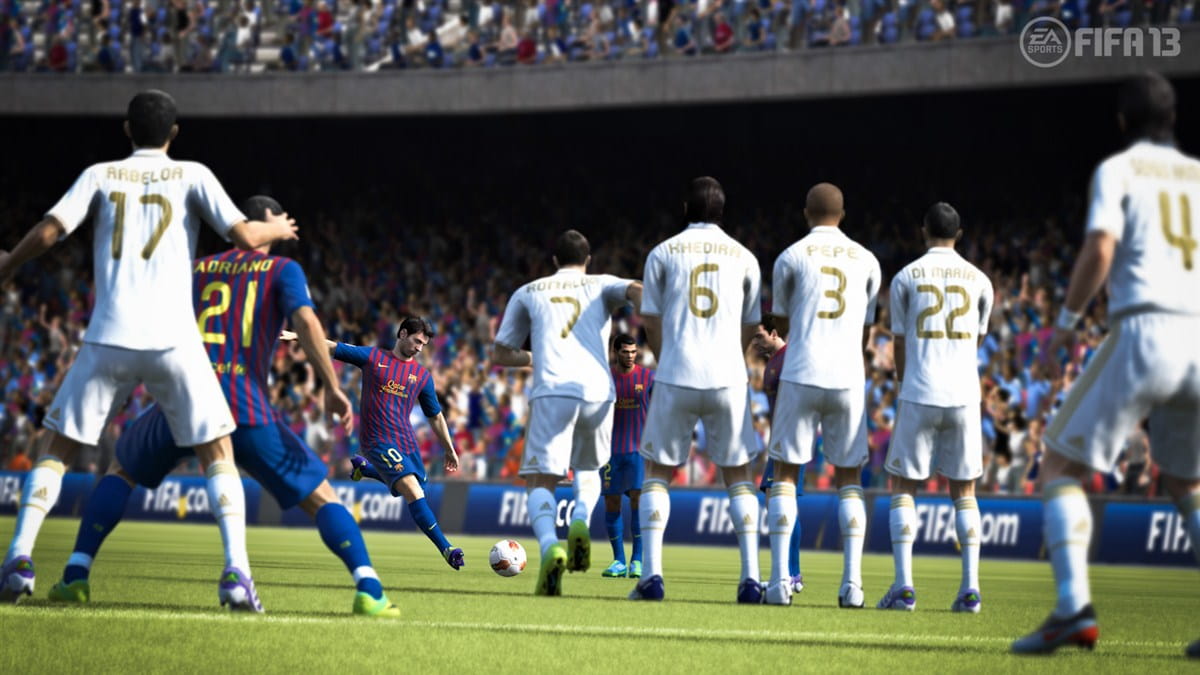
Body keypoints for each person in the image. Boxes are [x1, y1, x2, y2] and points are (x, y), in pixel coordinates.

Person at [0, 90, 297, 610]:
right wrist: (277, 227)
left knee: (58, 450)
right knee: (217, 453)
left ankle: (19, 559)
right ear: (174, 133)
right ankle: (236, 574)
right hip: (174, 340)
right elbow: (247, 238)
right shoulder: (193, 174)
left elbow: (50, 232)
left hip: (108, 335)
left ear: (126, 129)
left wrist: (7, 266)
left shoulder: (100, 174)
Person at [42, 196, 400, 617]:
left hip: (183, 397)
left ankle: (75, 575)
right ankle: (368, 589)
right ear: (265, 222)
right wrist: (331, 385)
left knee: (120, 472)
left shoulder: (195, 268)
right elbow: (305, 321)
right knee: (321, 497)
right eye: (279, 217)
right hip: (243, 403)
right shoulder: (282, 269)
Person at [1013, 72, 1200, 657]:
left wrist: (1065, 327)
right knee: (1186, 480)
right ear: (1173, 119)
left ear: (1122, 122)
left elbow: (1100, 248)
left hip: (1145, 329)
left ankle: (1074, 609)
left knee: (1057, 464)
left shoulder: (1119, 169)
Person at [629, 176, 764, 603]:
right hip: (728, 375)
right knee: (738, 475)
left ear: (685, 208)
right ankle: (751, 578)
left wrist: (668, 357)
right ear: (722, 212)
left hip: (677, 370)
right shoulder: (745, 257)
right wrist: (732, 357)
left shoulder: (662, 252)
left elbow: (650, 319)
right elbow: (751, 324)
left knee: (658, 472)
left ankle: (651, 576)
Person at [491, 230, 642, 596]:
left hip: (552, 390)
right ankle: (580, 521)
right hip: (598, 392)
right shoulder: (601, 283)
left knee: (539, 480)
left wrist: (534, 356)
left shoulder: (529, 291)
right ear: (587, 260)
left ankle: (550, 548)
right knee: (588, 469)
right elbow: (636, 289)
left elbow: (501, 352)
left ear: (555, 260)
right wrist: (652, 311)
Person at [766, 182, 881, 608]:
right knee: (849, 479)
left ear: (805, 213)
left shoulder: (791, 256)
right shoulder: (867, 260)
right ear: (843, 214)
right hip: (847, 375)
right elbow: (866, 328)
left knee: (785, 474)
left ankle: (779, 583)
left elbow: (780, 322)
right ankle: (853, 585)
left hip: (801, 371)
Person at [877, 202, 992, 613]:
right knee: (964, 491)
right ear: (959, 235)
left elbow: (900, 341)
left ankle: (904, 587)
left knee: (904, 487)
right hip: (963, 394)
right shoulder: (981, 281)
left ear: (923, 230)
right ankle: (970, 590)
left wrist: (904, 381)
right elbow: (977, 340)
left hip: (920, 389)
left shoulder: (906, 277)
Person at [315, 317, 465, 570]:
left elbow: (435, 416)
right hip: (377, 439)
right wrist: (301, 335)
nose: (419, 348)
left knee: (418, 486)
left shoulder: (422, 376)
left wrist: (449, 449)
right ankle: (447, 548)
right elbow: (334, 347)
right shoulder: (373, 357)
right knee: (414, 491)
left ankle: (365, 469)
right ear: (402, 334)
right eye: (416, 341)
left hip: (406, 441)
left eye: (423, 344)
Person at [753, 316, 805, 596]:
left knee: (782, 500)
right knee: (778, 501)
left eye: (759, 336)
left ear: (774, 333)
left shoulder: (790, 359)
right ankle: (788, 573)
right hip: (779, 441)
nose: (755, 342)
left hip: (791, 439)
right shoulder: (773, 362)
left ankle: (791, 574)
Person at [601, 334, 654, 579]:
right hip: (610, 452)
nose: (630, 356)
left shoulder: (648, 377)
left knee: (637, 501)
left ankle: (637, 561)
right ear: (615, 352)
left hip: (638, 451)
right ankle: (619, 561)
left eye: (634, 352)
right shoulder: (605, 378)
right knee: (612, 503)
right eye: (625, 352)